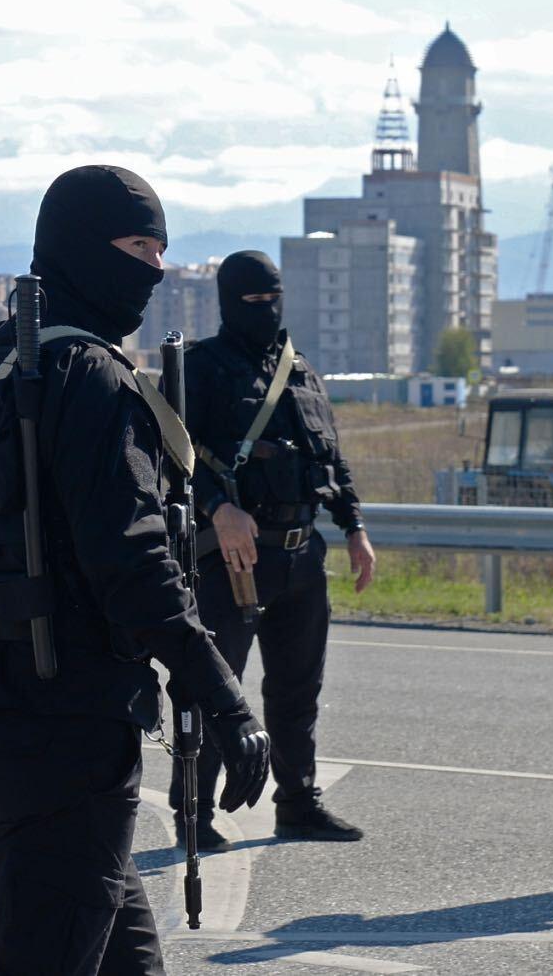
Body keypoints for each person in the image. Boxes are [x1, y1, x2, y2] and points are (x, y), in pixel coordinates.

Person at [0, 165, 272, 976]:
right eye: (138, 244)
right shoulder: (93, 381)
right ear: (78, 247)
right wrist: (225, 696)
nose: (155, 267)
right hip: (69, 739)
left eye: (162, 248)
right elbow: (133, 564)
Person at [174, 251, 377, 850]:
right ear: (228, 301)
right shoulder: (198, 369)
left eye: (273, 298)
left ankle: (298, 804)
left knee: (297, 690)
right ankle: (195, 811)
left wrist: (355, 527)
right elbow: (166, 453)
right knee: (219, 688)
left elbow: (329, 457)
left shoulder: (301, 370)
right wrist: (217, 506)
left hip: (300, 556)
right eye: (253, 301)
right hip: (232, 558)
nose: (266, 310)